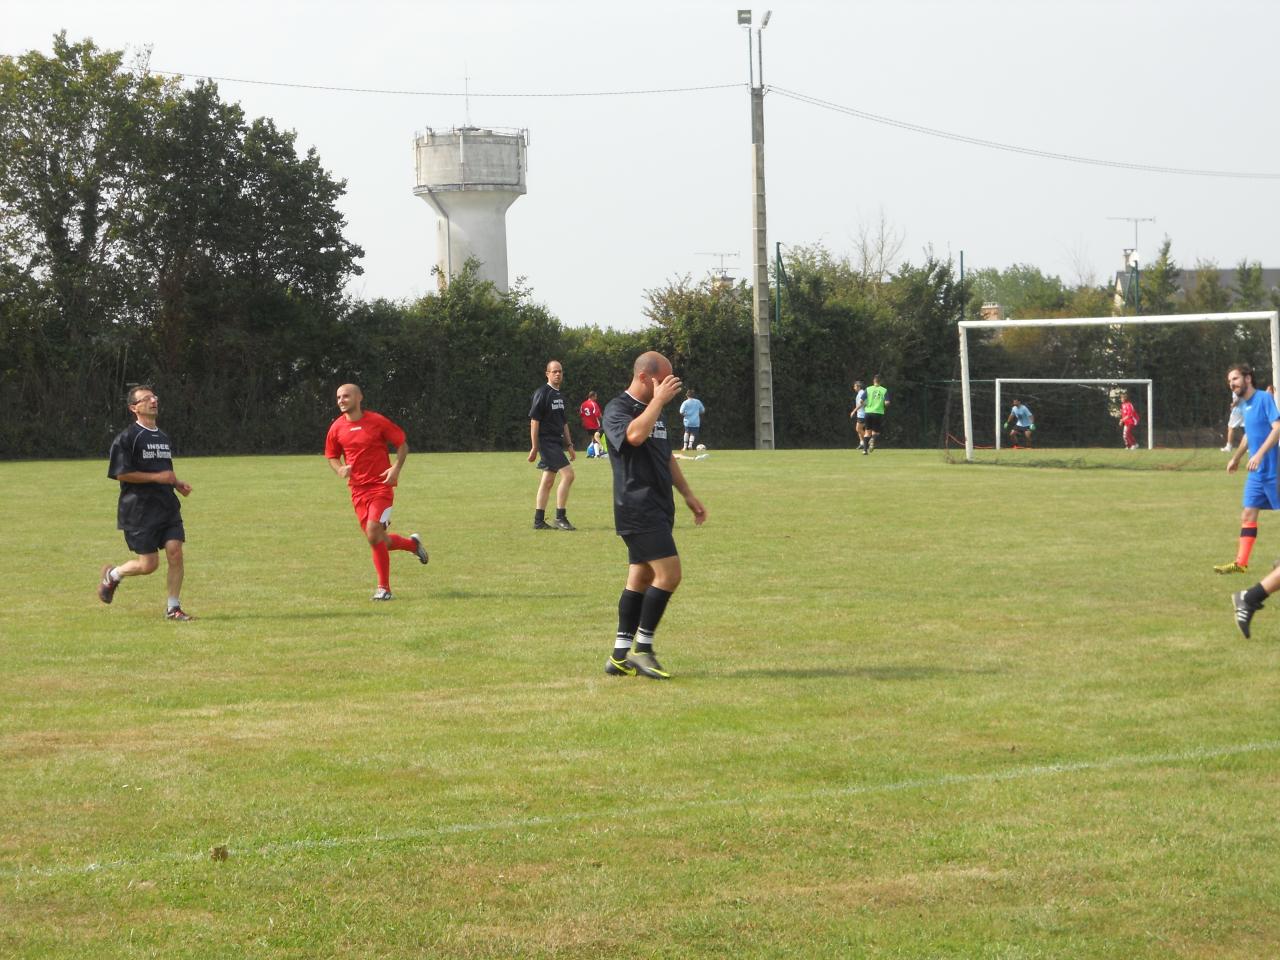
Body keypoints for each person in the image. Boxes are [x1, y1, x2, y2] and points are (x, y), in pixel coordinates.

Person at [601, 352, 707, 680]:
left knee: (641, 578)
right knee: (670, 574)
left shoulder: (656, 412)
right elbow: (633, 436)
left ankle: (619, 656)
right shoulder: (617, 408)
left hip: (659, 506)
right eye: (665, 379)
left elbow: (666, 457)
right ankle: (643, 651)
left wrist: (688, 495)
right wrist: (658, 401)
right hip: (636, 506)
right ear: (647, 378)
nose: (670, 385)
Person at [97, 385, 196, 620]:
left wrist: (175, 483)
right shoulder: (127, 438)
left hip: (167, 506)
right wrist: (158, 478)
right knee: (149, 565)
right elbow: (121, 473)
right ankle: (113, 575)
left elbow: (163, 471)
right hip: (139, 511)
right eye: (147, 398)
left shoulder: (162, 436)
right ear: (134, 408)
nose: (154, 400)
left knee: (175, 552)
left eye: (154, 397)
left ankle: (173, 608)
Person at [325, 383, 429, 600]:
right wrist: (340, 469)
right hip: (358, 491)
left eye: (346, 396)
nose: (341, 400)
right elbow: (331, 456)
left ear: (359, 397)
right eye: (338, 397)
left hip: (381, 486)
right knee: (379, 539)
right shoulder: (336, 428)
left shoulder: (376, 421)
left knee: (373, 534)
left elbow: (402, 444)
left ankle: (384, 589)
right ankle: (412, 545)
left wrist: (395, 469)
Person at [1215, 363, 1280, 576]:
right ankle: (1241, 563)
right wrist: (1236, 457)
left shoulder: (1264, 398)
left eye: (1235, 379)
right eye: (1229, 381)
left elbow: (1277, 429)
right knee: (1248, 513)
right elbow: (1248, 436)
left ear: (1248, 378)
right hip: (1256, 473)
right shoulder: (1243, 404)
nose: (1231, 384)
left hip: (1272, 468)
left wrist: (1260, 454)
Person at [529, 359, 576, 530]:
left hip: (556, 441)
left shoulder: (559, 395)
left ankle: (538, 521)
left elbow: (563, 422)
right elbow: (535, 421)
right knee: (569, 475)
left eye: (560, 371)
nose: (557, 374)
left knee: (548, 480)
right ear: (547, 373)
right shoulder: (542, 393)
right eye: (554, 371)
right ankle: (560, 517)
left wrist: (569, 445)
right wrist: (535, 447)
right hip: (547, 442)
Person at [862, 375, 889, 453]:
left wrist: (866, 405)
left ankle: (864, 451)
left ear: (873, 381)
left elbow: (861, 401)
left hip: (868, 412)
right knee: (875, 432)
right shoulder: (884, 390)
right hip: (878, 413)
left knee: (867, 432)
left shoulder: (868, 389)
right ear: (881, 382)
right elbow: (887, 402)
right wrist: (884, 405)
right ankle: (873, 439)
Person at [579, 390, 603, 457]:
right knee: (596, 438)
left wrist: (584, 422)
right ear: (592, 396)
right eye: (595, 396)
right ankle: (597, 455)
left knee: (593, 439)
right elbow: (597, 414)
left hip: (587, 425)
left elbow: (581, 414)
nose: (596, 398)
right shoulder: (593, 404)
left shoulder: (583, 404)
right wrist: (603, 419)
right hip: (595, 424)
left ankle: (589, 453)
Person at [849, 380, 867, 452]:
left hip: (863, 414)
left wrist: (854, 411)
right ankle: (862, 443)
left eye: (855, 386)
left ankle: (869, 440)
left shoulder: (861, 393)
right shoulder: (860, 393)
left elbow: (862, 404)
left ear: (858, 386)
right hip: (860, 414)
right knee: (858, 429)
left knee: (858, 429)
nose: (854, 388)